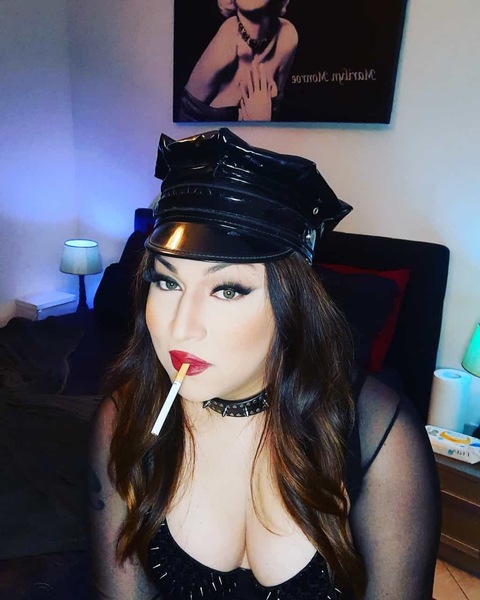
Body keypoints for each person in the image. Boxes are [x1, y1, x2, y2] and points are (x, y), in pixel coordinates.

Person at [89, 128, 441, 599]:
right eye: (168, 282)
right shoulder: (125, 419)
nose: (181, 328)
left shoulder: (377, 434)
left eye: (227, 290)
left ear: (290, 305)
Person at [176, 0, 298, 122]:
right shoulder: (225, 47)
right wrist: (255, 124)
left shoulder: (286, 37)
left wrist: (262, 119)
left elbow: (276, 115)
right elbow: (184, 120)